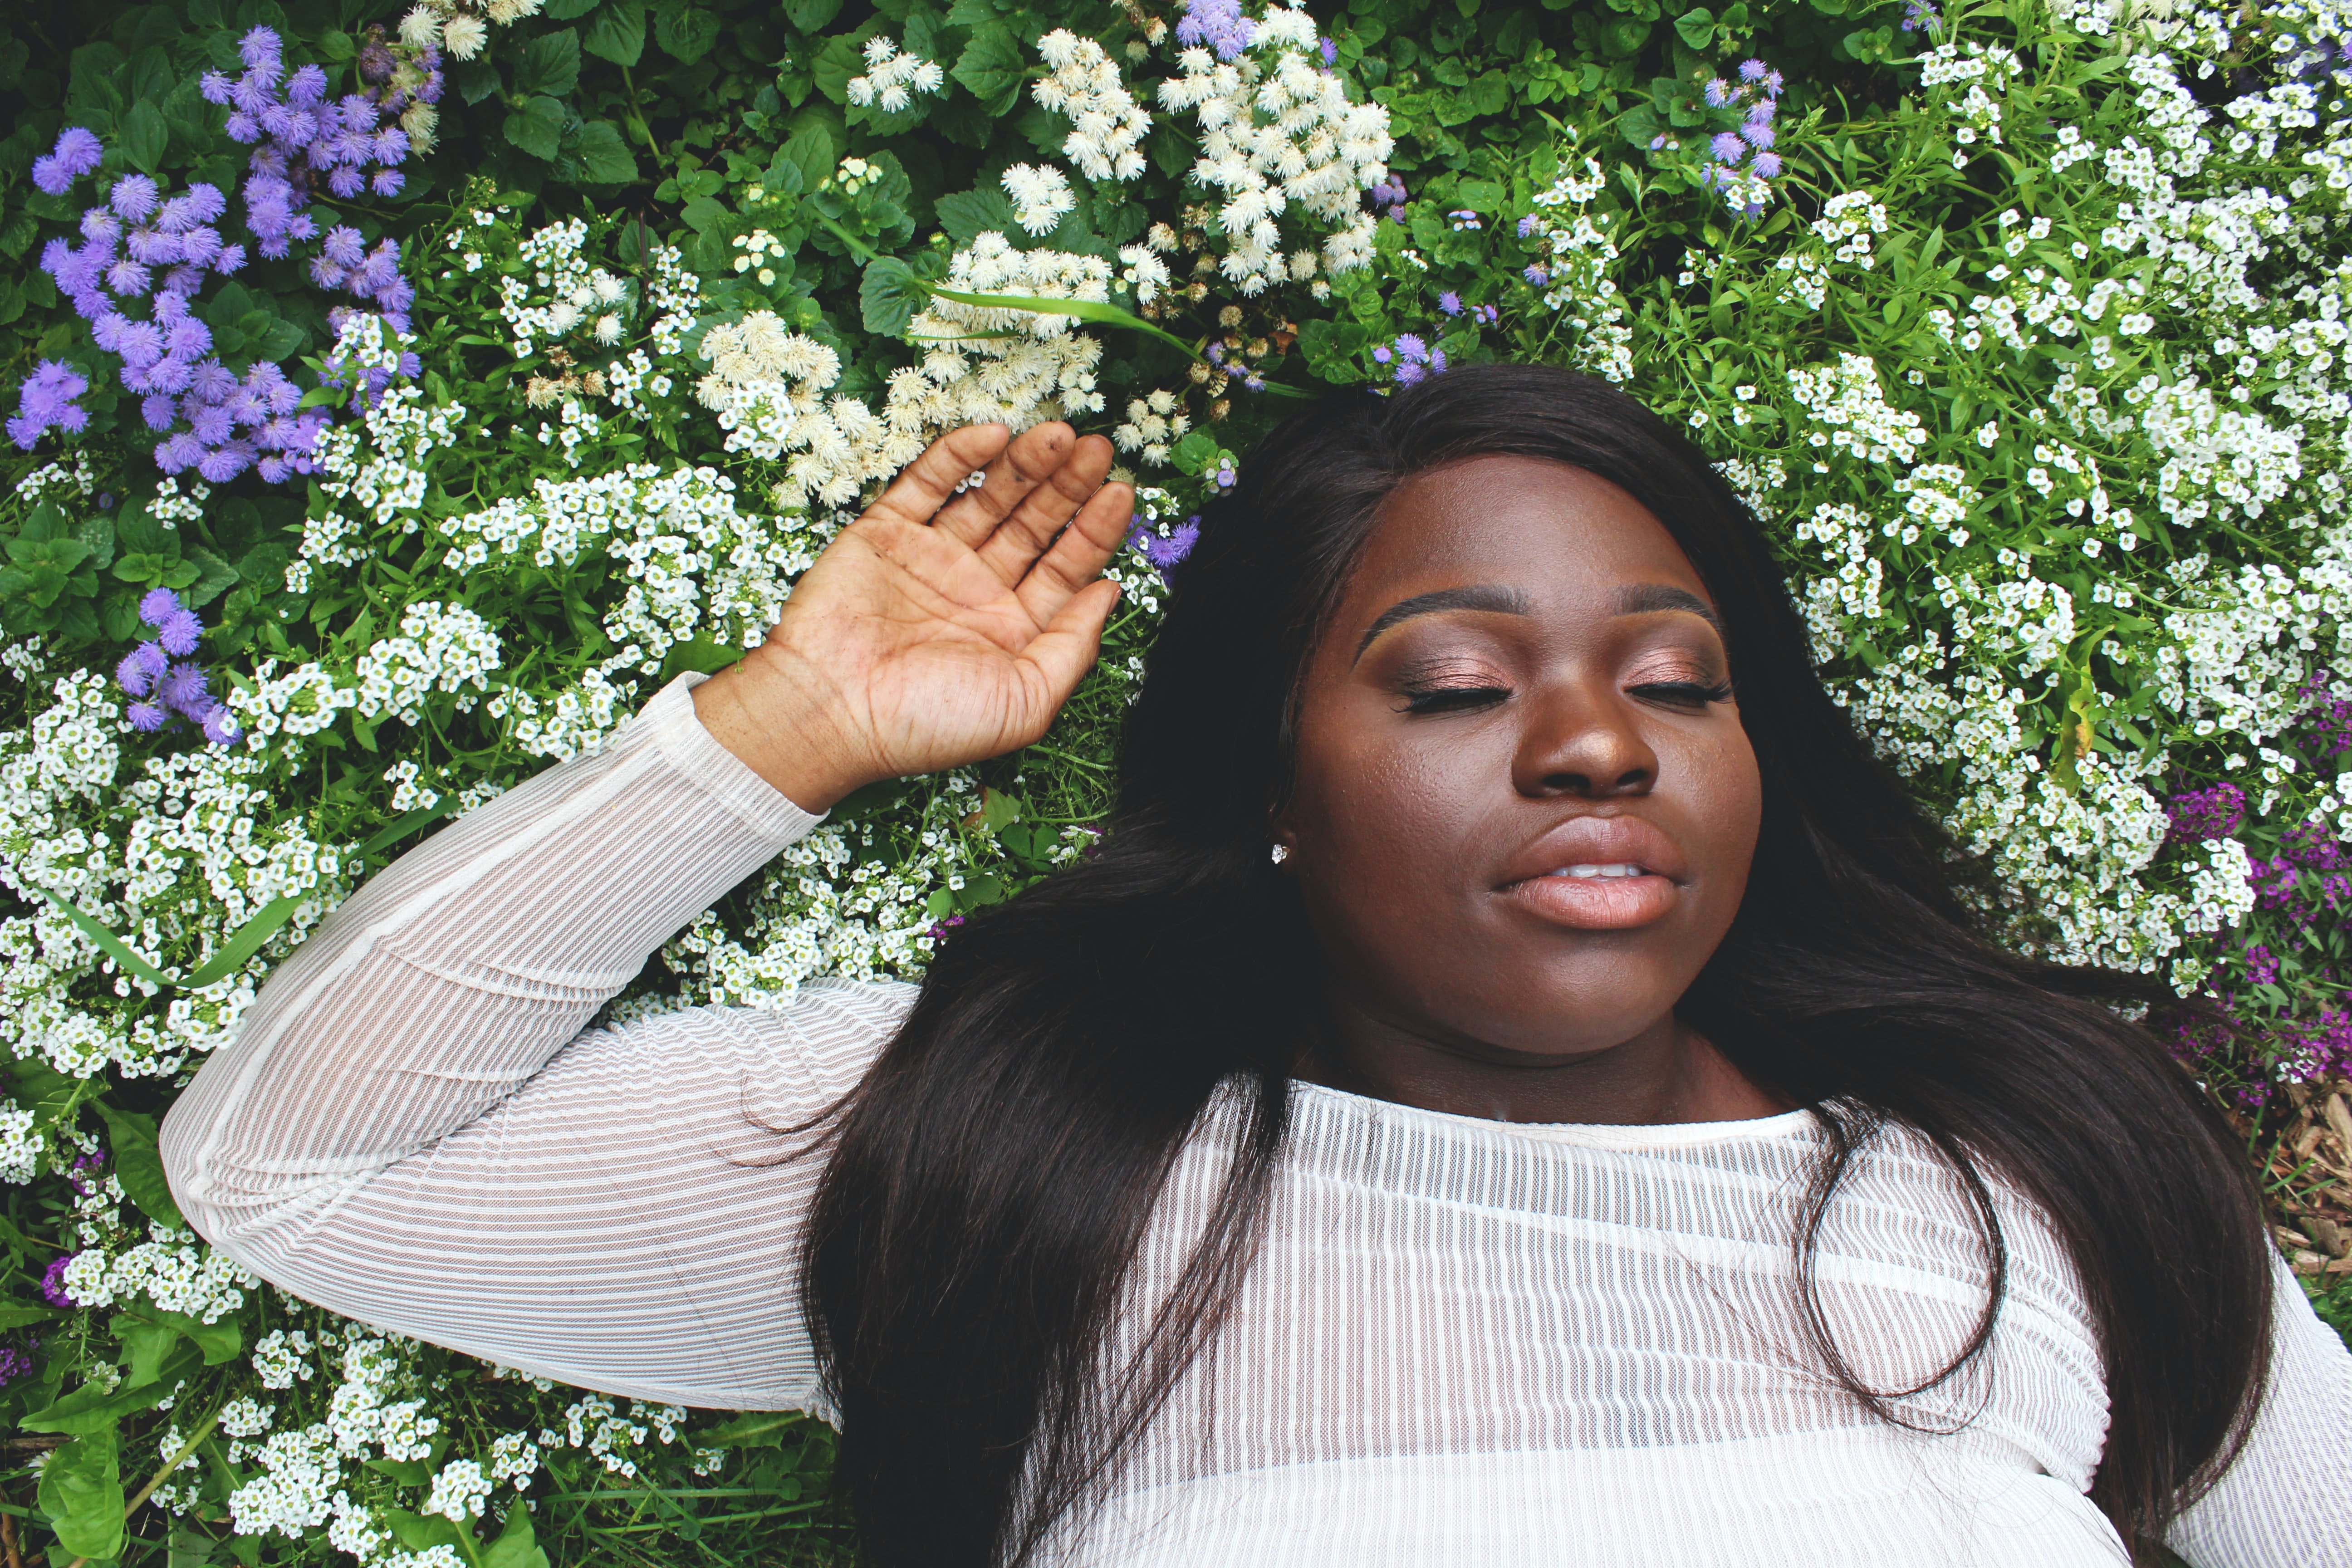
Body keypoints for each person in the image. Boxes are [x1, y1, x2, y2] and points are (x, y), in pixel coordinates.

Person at [161, 366, 2350, 1568]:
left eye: (1676, 682)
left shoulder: (2039, 1191)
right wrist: (774, 739)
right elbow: (292, 1170)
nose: (1597, 741)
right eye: (1455, 686)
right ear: (1270, 788)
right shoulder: (1021, 1167)